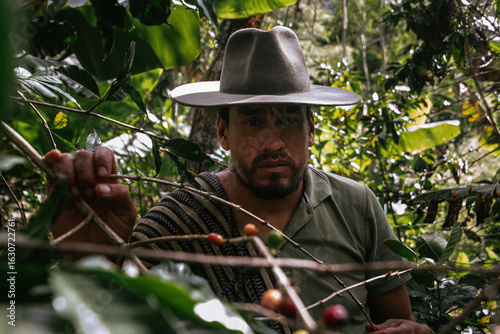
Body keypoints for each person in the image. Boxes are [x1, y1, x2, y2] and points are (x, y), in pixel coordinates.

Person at [44, 26, 432, 334]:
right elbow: (112, 316)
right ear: (223, 132)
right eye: (252, 121)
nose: (273, 142)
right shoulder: (178, 222)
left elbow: (395, 320)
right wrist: (91, 259)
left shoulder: (357, 205)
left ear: (311, 130)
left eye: (288, 120)